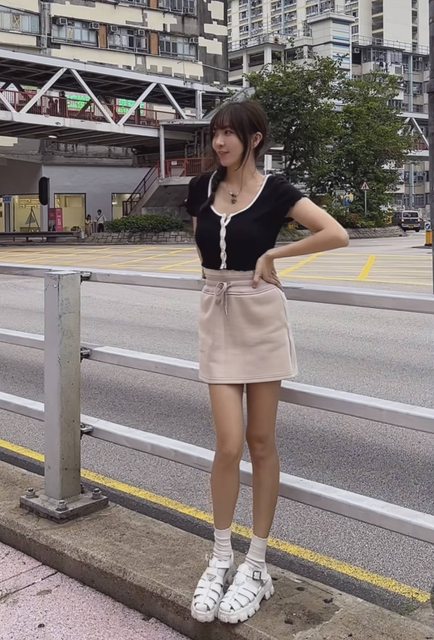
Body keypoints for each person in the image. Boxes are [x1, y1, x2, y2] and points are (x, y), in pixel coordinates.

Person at [185, 100, 349, 625]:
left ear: (254, 139)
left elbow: (335, 232)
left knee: (261, 441)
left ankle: (256, 566)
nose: (219, 142)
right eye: (215, 133)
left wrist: (273, 256)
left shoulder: (276, 190)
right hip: (217, 313)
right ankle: (220, 558)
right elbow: (203, 250)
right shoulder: (202, 188)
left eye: (229, 134)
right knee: (228, 443)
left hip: (260, 315)